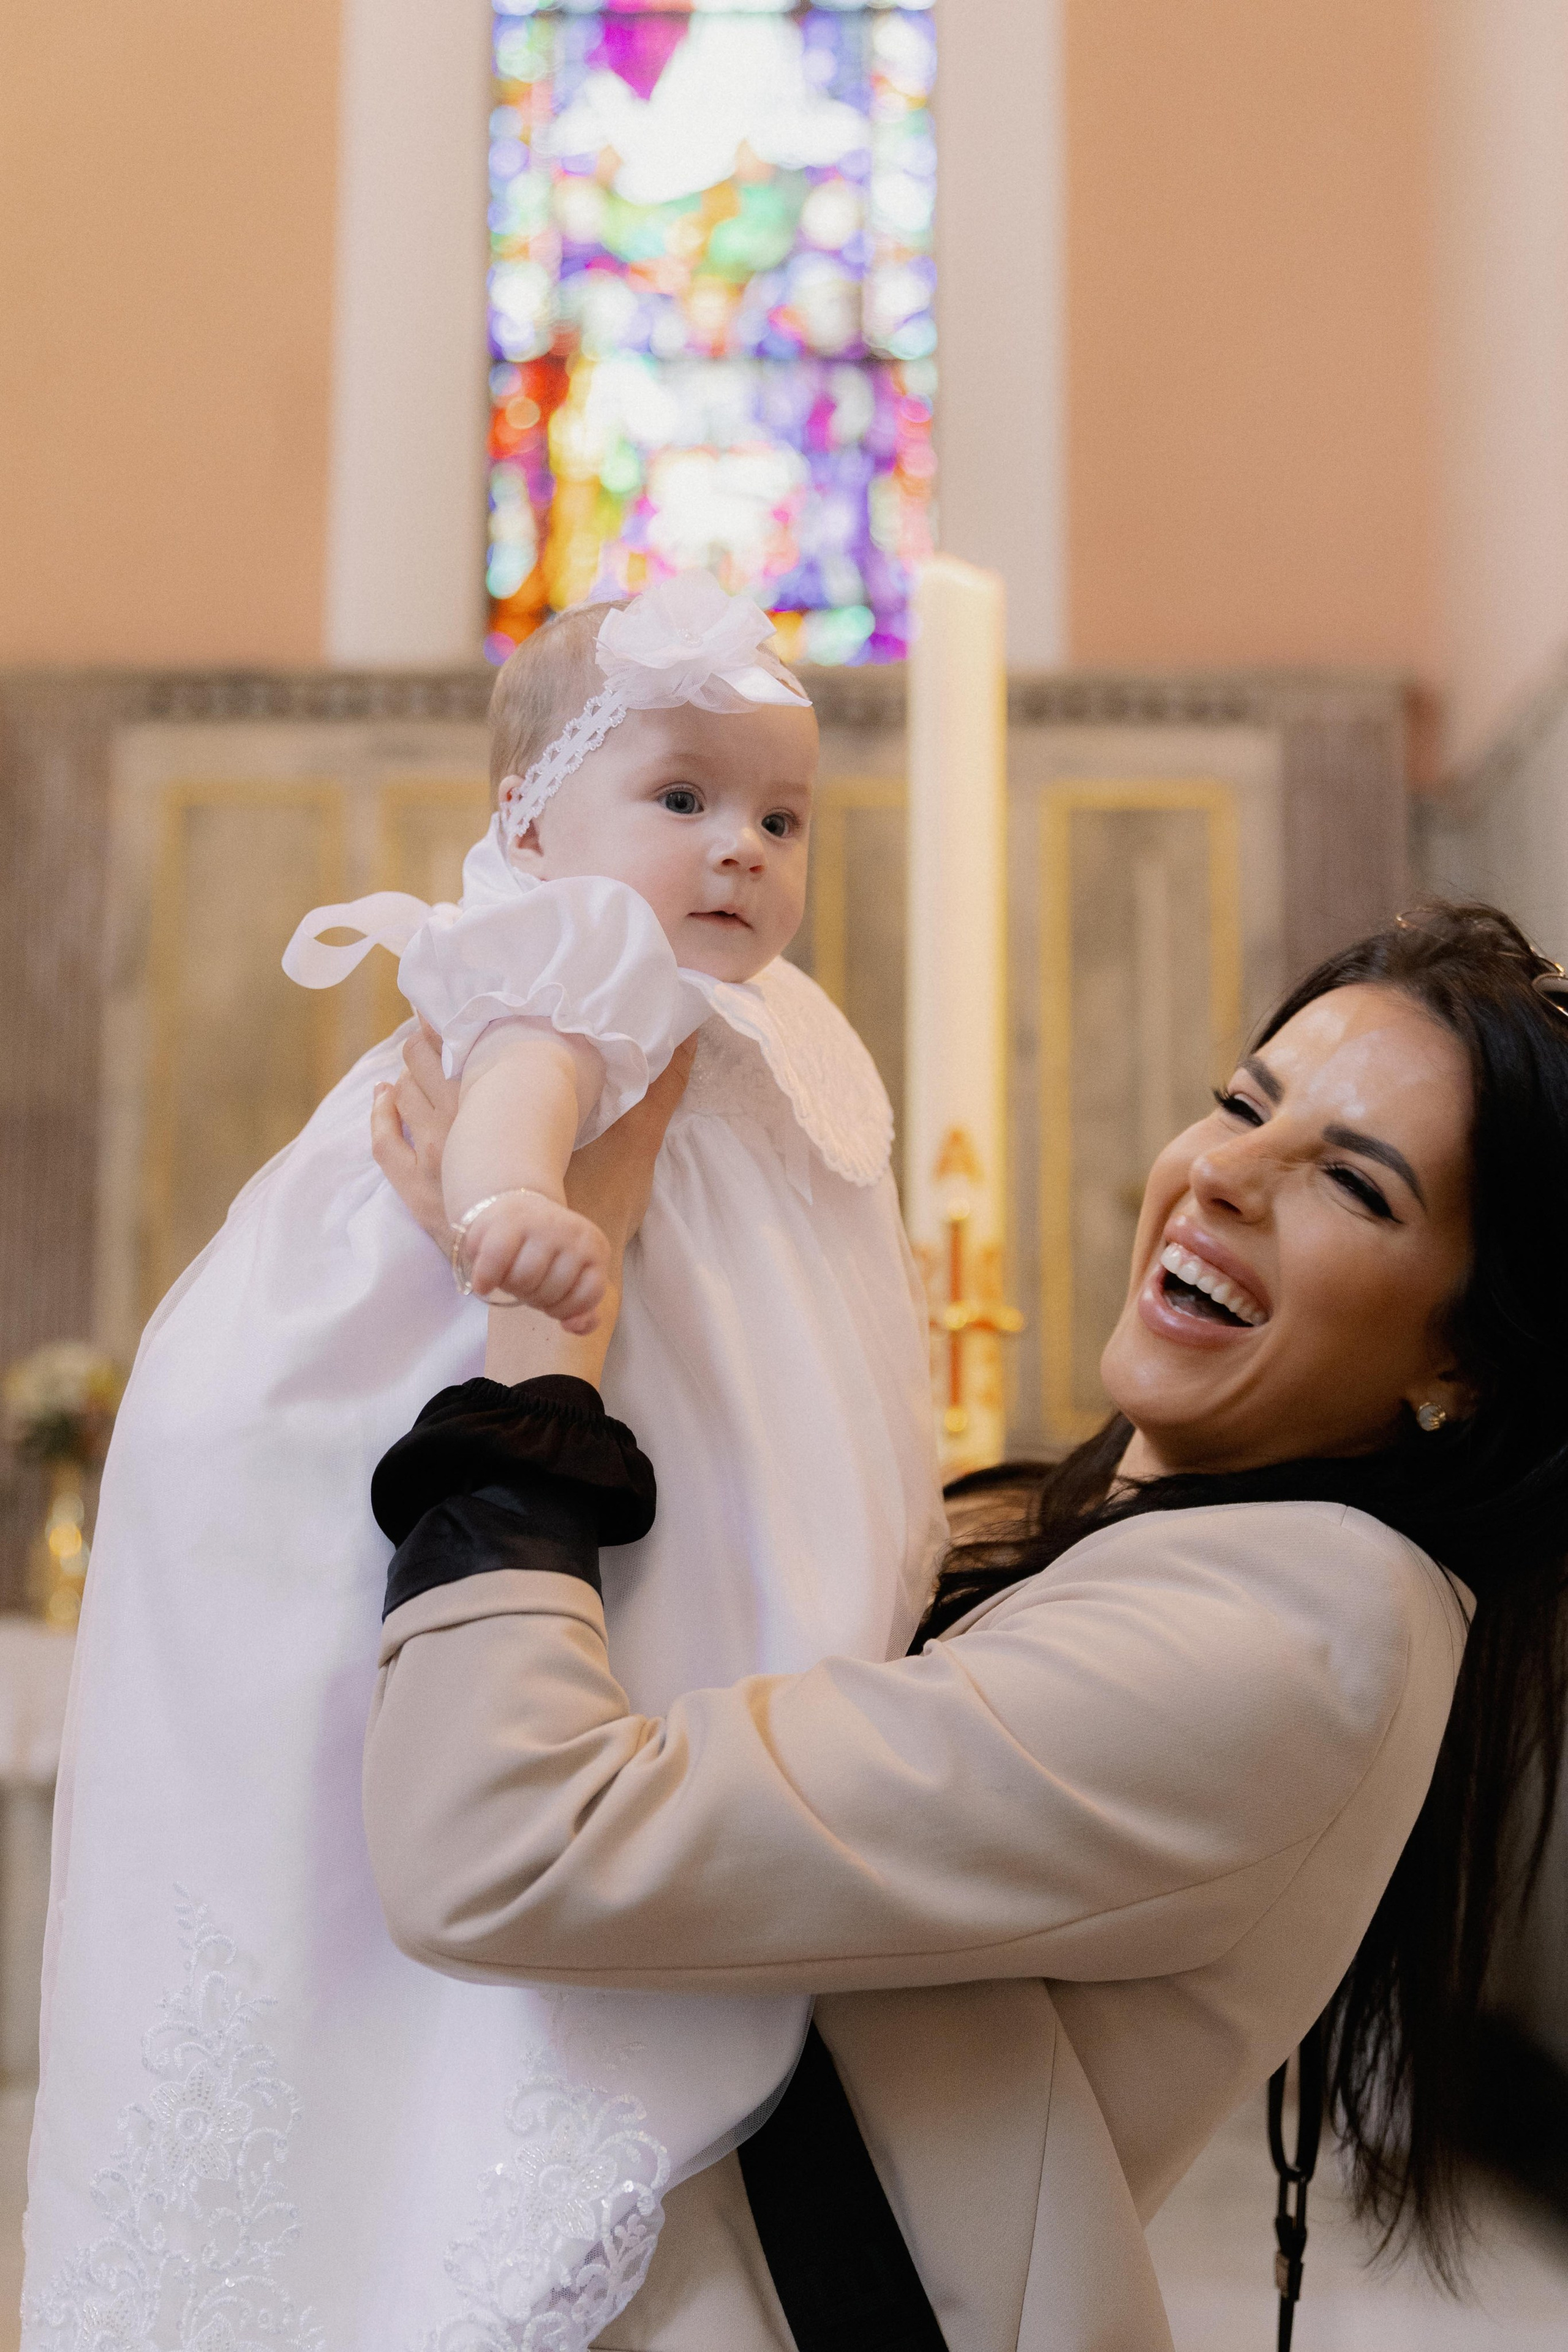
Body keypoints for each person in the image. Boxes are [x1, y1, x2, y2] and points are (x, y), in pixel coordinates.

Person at [361, 903, 1568, 2352]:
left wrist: (535, 1352)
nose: (1223, 1176)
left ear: (1466, 1355)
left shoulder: (1305, 1635)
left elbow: (509, 1844)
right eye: (1242, 1103)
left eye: (1354, 1187)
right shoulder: (1126, 1539)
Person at [20, 575, 944, 2347]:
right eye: (681, 801)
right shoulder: (572, 953)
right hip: (497, 1348)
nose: (739, 850)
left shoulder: (756, 1008)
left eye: (778, 817)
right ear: (528, 821)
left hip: (650, 1403)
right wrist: (515, 1208)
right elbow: (520, 1084)